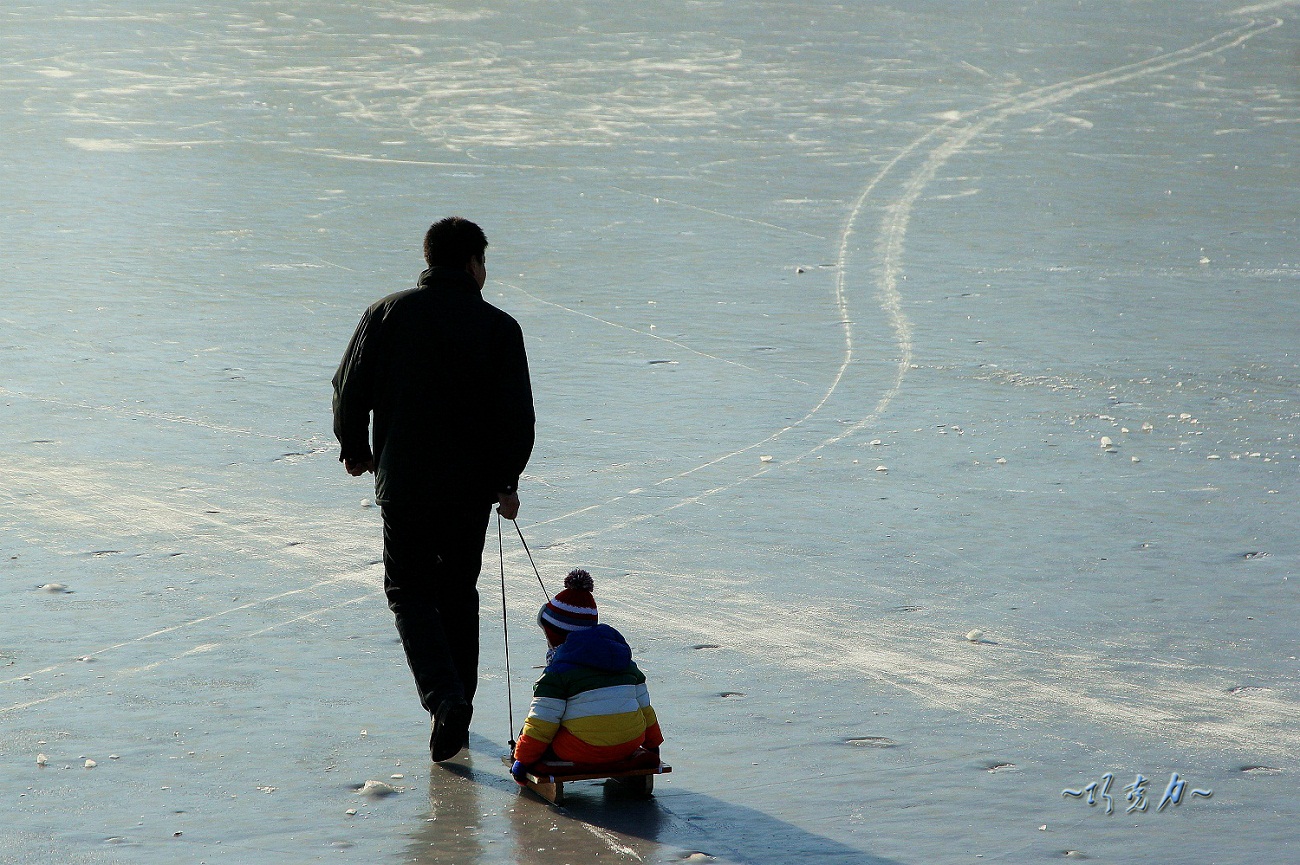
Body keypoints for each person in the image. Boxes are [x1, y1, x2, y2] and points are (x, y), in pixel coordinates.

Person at [332, 216, 535, 762]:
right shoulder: (499, 327)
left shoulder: (386, 314)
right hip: (470, 490)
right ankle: (458, 710)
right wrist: (507, 479)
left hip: (405, 484)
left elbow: (348, 386)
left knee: (410, 592)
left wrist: (355, 448)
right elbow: (517, 417)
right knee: (457, 595)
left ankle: (446, 702)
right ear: (473, 262)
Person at [510, 570, 664, 781]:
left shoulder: (557, 674)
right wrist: (652, 746)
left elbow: (542, 721)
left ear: (556, 637)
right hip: (628, 744)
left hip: (581, 750)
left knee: (539, 730)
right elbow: (645, 708)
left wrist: (522, 761)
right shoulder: (627, 664)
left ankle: (528, 754)